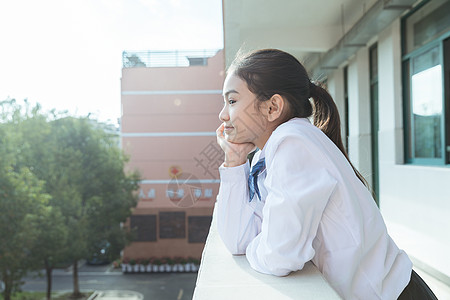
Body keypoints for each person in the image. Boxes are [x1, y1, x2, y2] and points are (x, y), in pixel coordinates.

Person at [215, 49, 437, 300]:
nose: (223, 115)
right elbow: (237, 240)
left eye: (232, 101)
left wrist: (259, 243)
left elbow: (280, 255)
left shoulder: (293, 145)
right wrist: (234, 161)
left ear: (272, 107)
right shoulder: (273, 154)